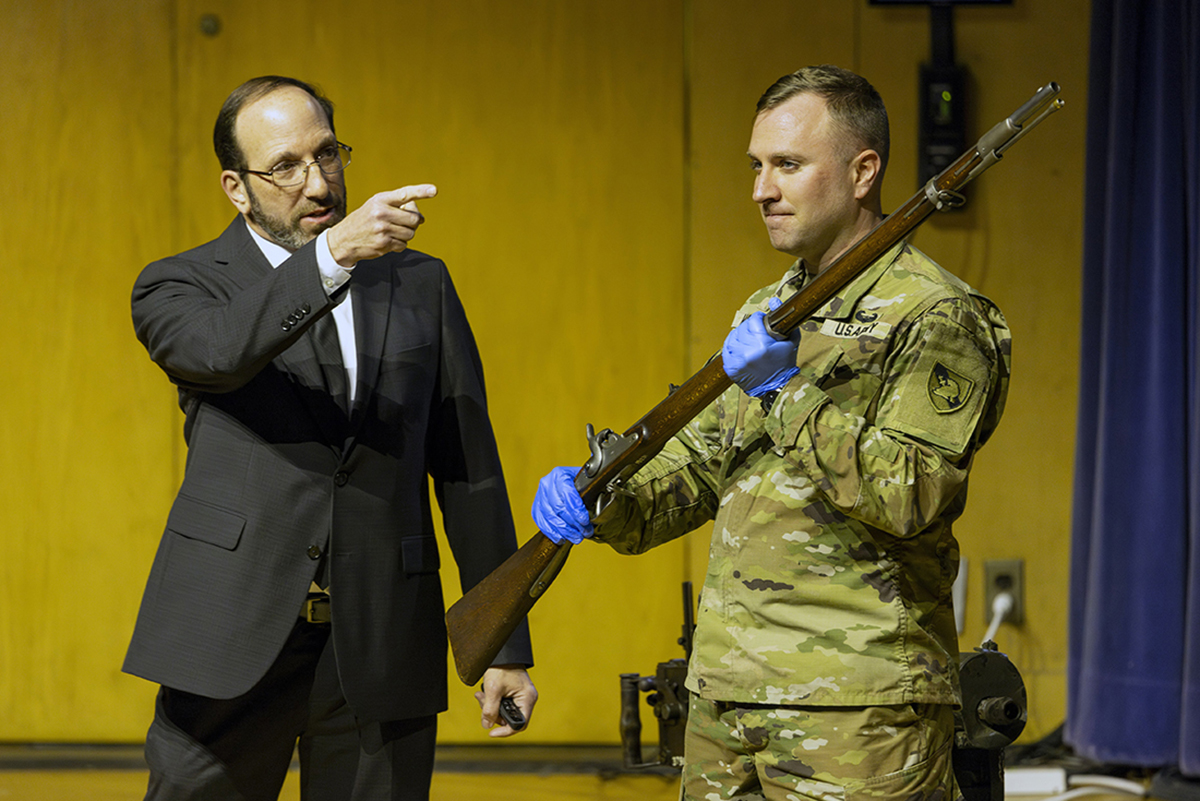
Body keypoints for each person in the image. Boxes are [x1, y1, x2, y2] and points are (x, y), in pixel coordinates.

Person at [533, 65, 1011, 800]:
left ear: (863, 171)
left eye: (786, 165)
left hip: (858, 704)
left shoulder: (935, 313)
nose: (761, 188)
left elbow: (911, 495)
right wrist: (603, 499)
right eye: (756, 166)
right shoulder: (769, 309)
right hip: (727, 697)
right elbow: (698, 472)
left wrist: (785, 390)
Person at [124, 75, 536, 801]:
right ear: (237, 187)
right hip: (233, 630)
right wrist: (331, 260)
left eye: (328, 155)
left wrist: (503, 641)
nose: (318, 183)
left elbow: (468, 469)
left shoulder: (420, 284)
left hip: (381, 636)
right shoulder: (181, 285)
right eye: (285, 166)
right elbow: (217, 353)